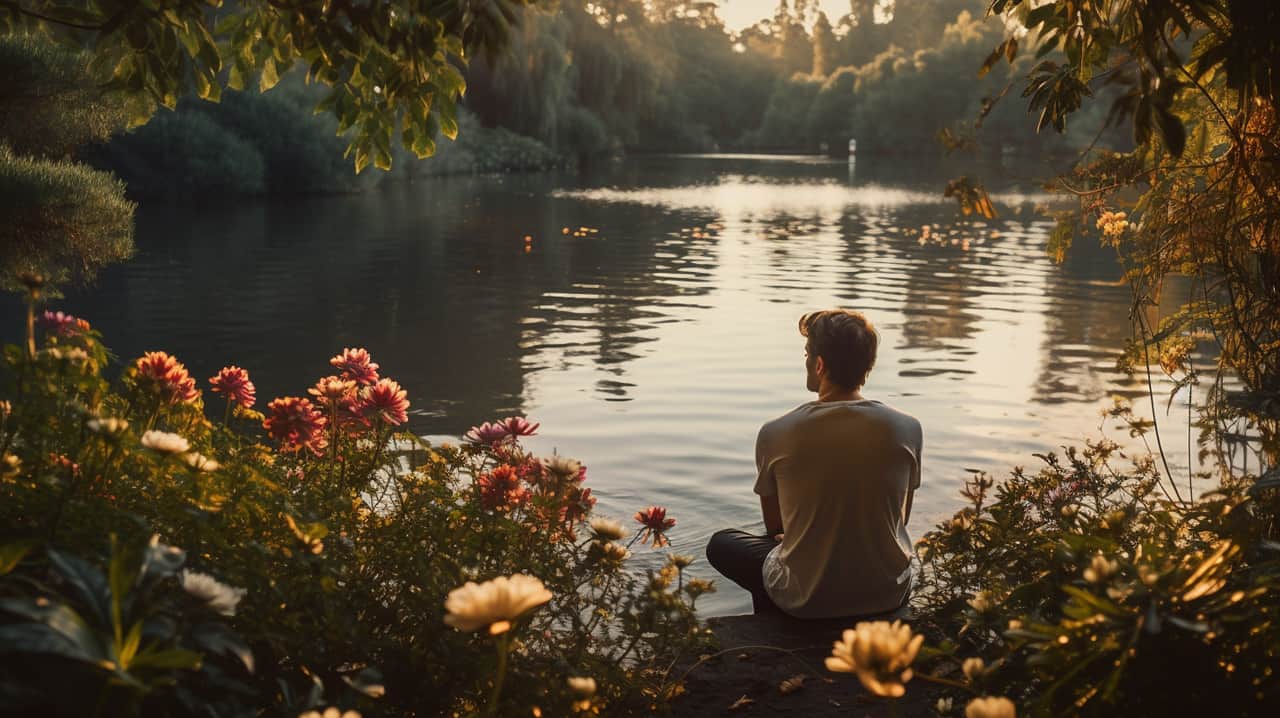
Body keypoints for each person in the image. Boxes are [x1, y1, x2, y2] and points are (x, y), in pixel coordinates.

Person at [706, 309, 923, 618]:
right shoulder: (908, 428)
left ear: (819, 364)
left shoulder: (776, 431)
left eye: (807, 353)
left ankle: (774, 625)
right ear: (868, 365)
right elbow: (901, 519)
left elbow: (776, 527)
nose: (805, 360)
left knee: (723, 544)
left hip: (807, 600)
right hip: (888, 592)